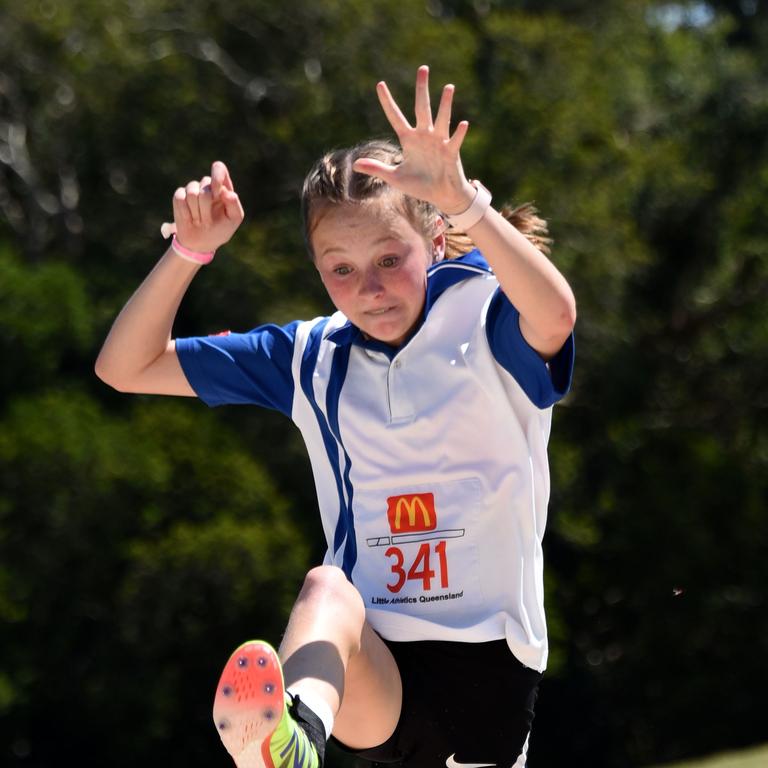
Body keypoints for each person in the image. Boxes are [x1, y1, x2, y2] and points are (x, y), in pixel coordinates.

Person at [95, 65, 576, 768]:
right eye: (340, 268)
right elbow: (124, 366)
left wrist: (466, 202)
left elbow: (557, 314)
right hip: (368, 674)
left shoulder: (486, 315)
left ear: (435, 242)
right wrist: (188, 251)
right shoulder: (310, 357)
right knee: (326, 588)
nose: (369, 289)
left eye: (388, 258)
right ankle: (294, 744)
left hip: (489, 670)